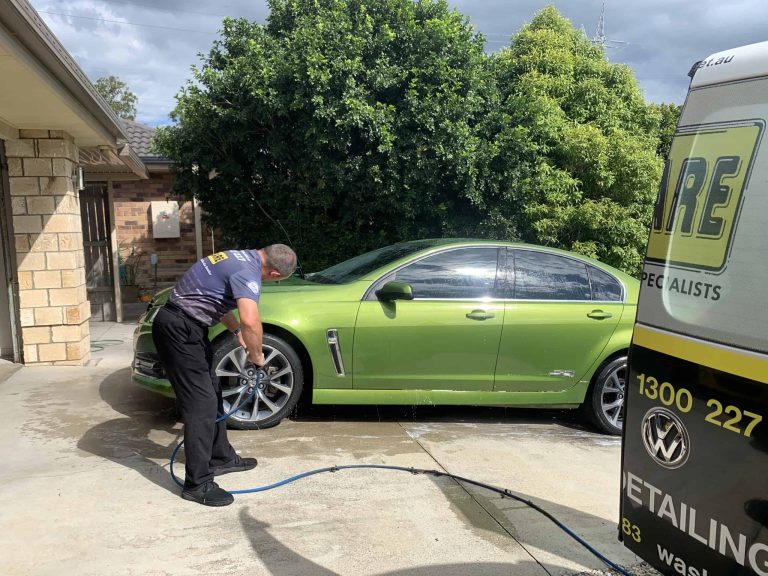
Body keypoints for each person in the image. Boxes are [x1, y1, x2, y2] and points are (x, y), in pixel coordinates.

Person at [152, 243, 297, 506]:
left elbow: (217, 301)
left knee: (213, 391)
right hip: (179, 331)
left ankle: (220, 457)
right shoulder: (247, 273)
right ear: (275, 273)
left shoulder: (238, 258)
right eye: (274, 280)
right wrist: (256, 356)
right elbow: (251, 320)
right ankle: (198, 483)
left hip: (188, 328)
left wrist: (236, 334)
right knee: (201, 406)